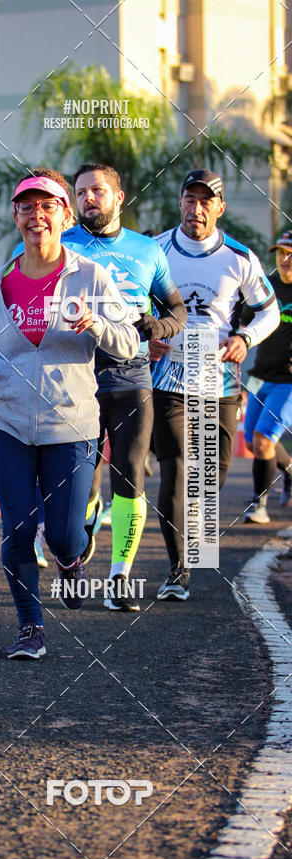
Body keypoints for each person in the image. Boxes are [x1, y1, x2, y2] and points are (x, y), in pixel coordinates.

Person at [0, 169, 139, 659]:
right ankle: (31, 628)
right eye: (27, 207)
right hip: (5, 422)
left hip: (70, 424)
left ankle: (70, 561)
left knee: (66, 536)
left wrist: (96, 324)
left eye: (48, 206)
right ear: (16, 216)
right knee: (18, 531)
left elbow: (131, 342)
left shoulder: (91, 277)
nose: (37, 216)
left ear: (65, 215)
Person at [15, 164, 187, 611]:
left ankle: (119, 579)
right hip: (75, 378)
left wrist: (159, 327)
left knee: (129, 475)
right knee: (81, 484)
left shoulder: (147, 250)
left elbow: (176, 308)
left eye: (97, 191)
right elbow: (17, 296)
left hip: (131, 375)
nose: (88, 198)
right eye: (81, 192)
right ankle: (81, 533)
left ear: (119, 196)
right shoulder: (56, 243)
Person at [150, 169, 279, 599]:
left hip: (217, 376)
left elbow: (270, 312)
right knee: (175, 467)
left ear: (220, 208)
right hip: (167, 374)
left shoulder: (239, 257)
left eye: (206, 201)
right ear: (180, 203)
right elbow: (128, 301)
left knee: (209, 477)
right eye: (190, 199)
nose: (197, 208)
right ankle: (178, 569)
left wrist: (245, 339)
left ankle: (195, 532)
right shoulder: (156, 250)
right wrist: (145, 336)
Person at [242, 231, 292, 522]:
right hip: (260, 376)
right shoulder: (267, 287)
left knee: (263, 440)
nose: (285, 259)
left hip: (288, 383)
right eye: (281, 252)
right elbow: (244, 322)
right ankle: (289, 470)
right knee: (253, 443)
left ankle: (258, 505)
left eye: (290, 254)